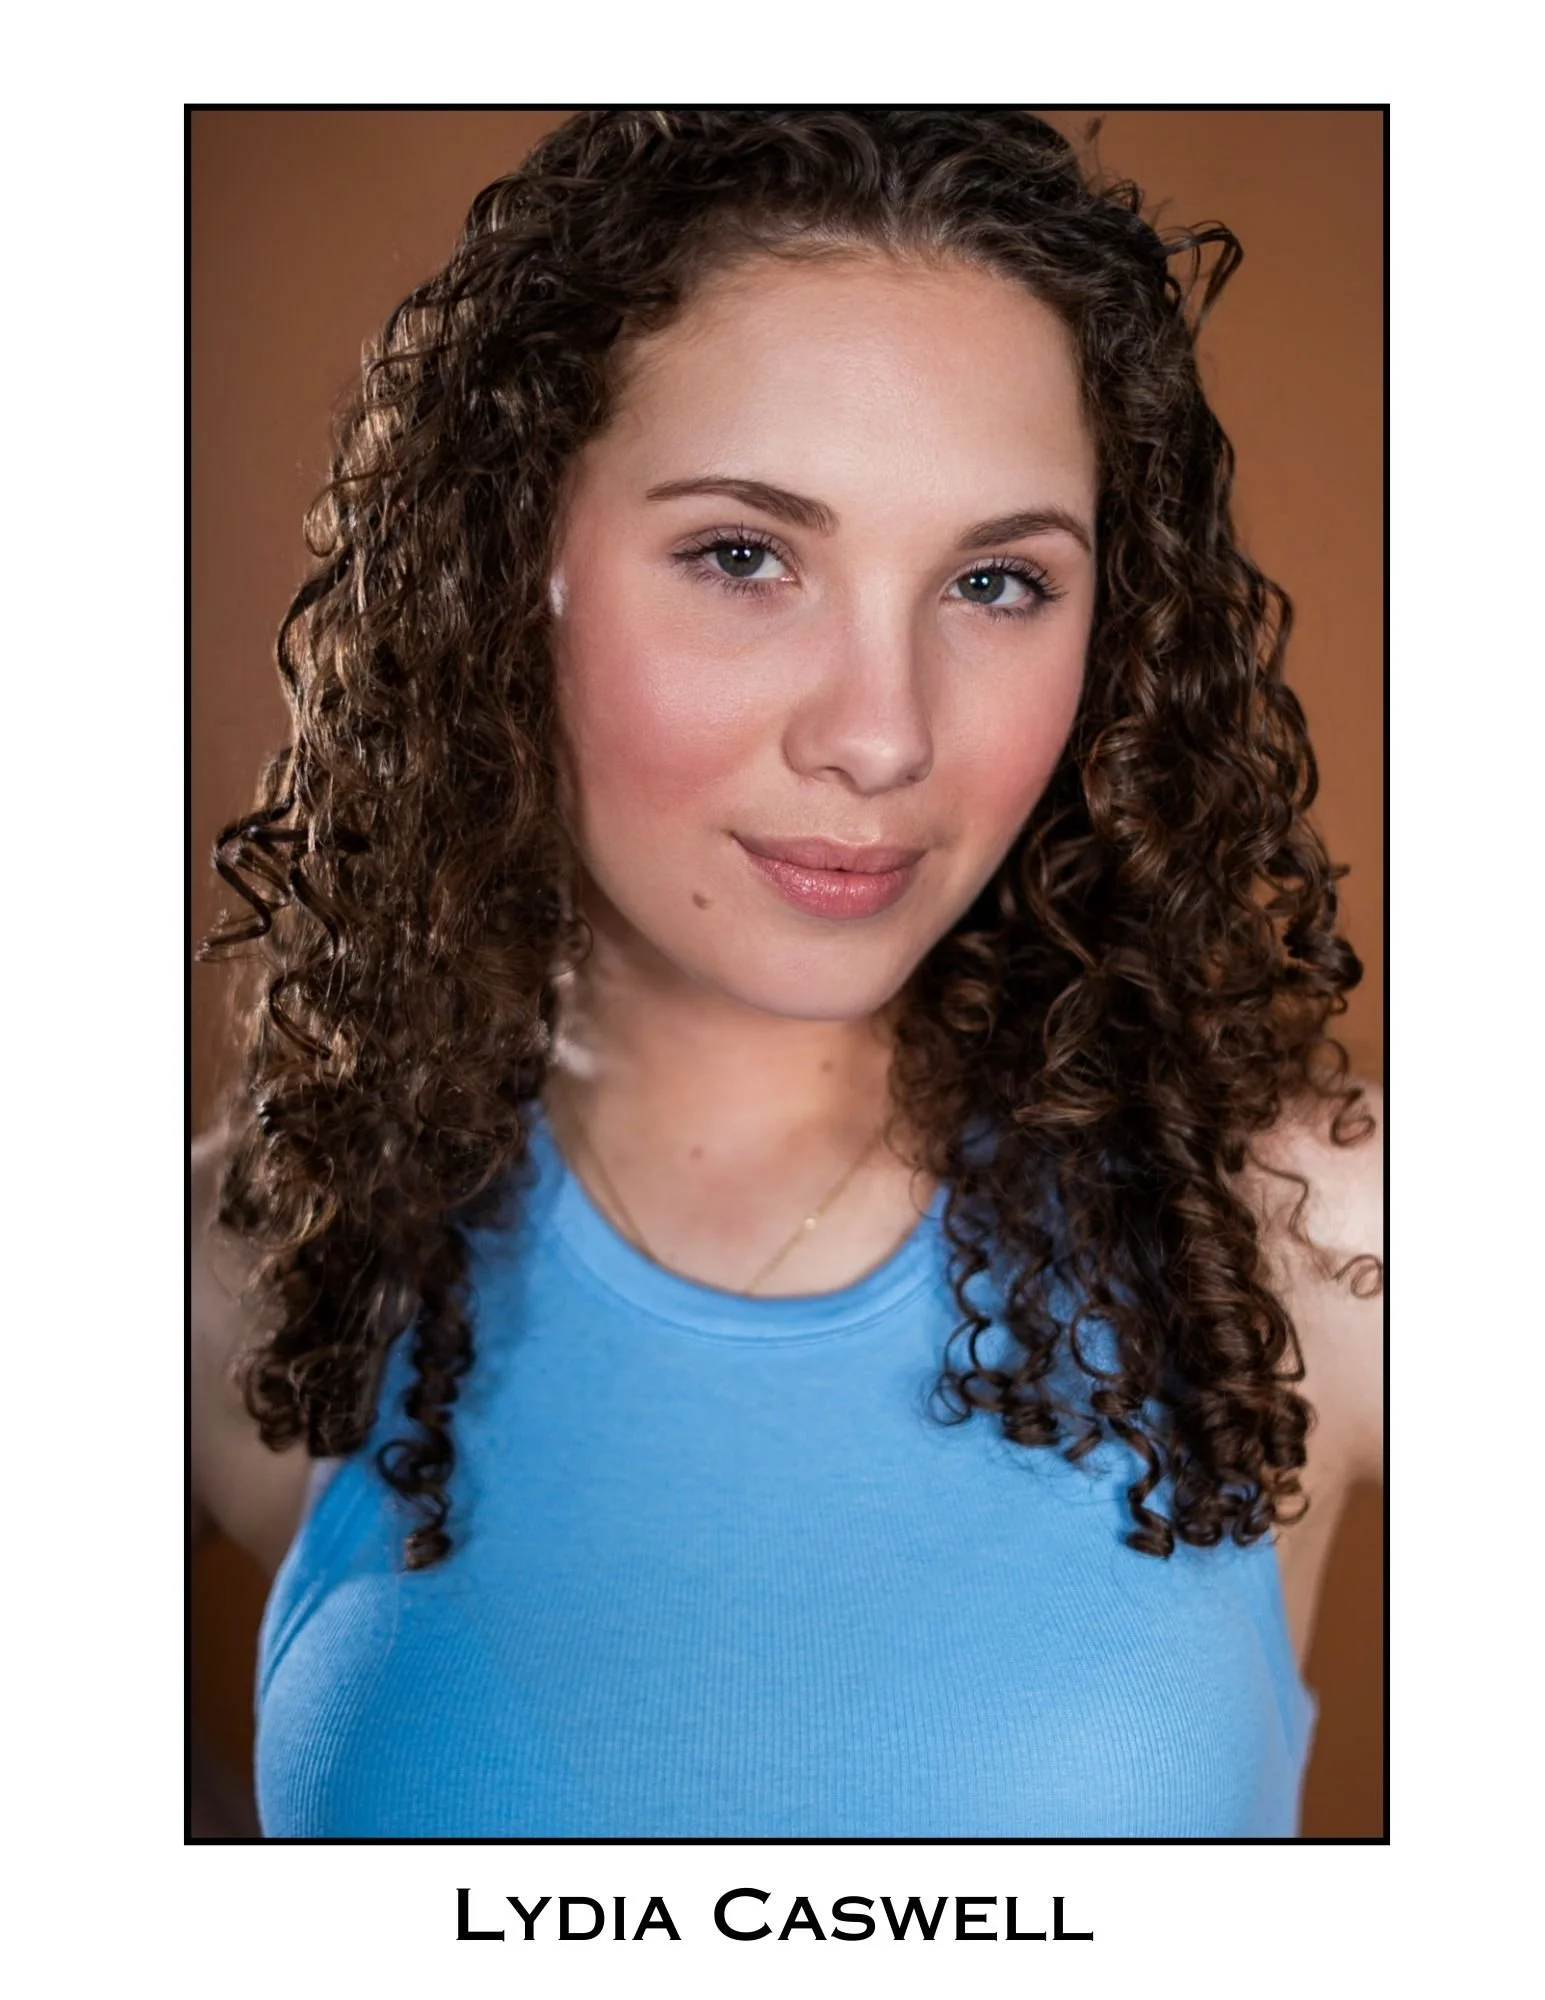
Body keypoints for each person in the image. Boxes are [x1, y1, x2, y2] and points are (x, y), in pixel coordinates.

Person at [192, 108, 1382, 1839]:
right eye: (745, 557)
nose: (884, 735)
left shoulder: (1313, 1236)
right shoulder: (253, 1265)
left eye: (998, 581)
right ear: (513, 567)